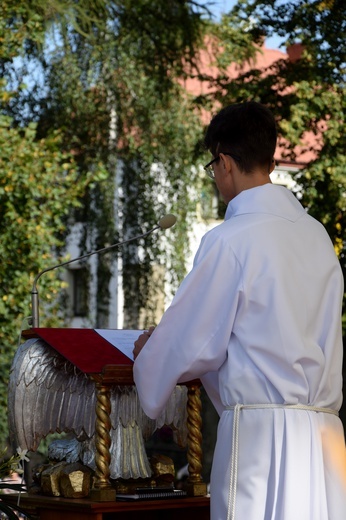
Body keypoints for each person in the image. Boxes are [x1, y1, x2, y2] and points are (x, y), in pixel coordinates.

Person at [133, 101, 346, 520]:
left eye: (212, 168)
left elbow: (193, 341)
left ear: (225, 162)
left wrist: (151, 351)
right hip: (325, 439)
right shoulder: (318, 236)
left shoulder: (230, 240)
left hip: (261, 442)